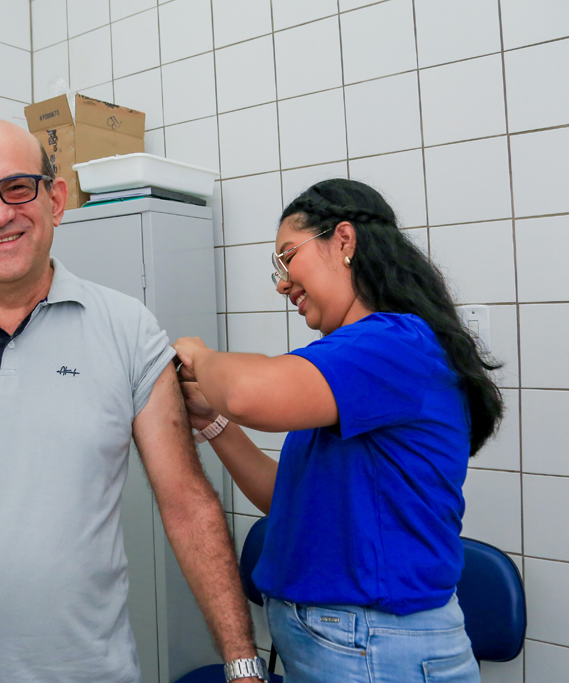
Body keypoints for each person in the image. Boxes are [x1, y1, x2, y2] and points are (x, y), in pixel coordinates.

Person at [0, 119, 263, 683]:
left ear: (56, 199)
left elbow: (188, 506)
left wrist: (242, 666)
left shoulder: (127, 329)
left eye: (17, 187)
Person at [173, 179, 503, 683]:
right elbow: (288, 498)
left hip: (374, 647)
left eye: (288, 258)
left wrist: (200, 355)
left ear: (343, 240)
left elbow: (246, 393)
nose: (282, 283)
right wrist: (214, 424)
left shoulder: (395, 343)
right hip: (352, 644)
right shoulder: (348, 369)